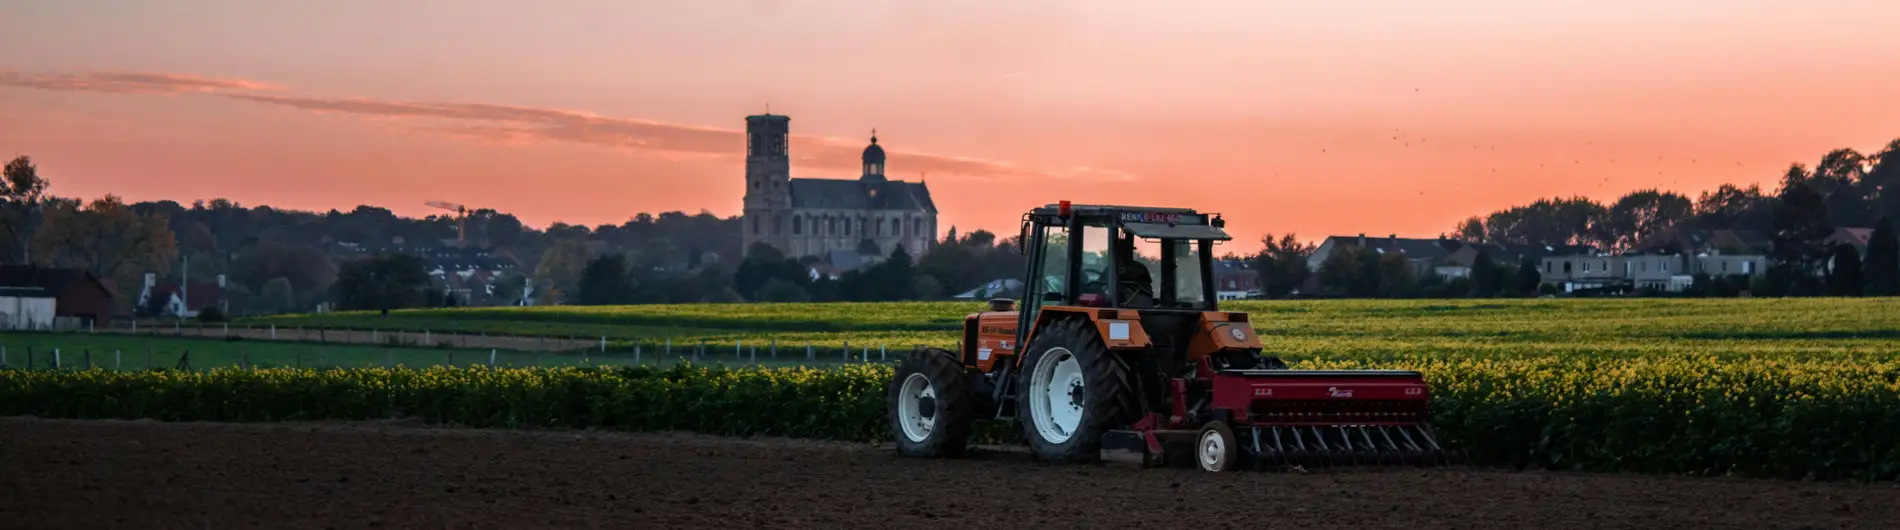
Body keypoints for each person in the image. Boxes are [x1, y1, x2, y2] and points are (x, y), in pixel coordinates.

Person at [1116, 234, 1156, 307]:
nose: (1123, 253)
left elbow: (1147, 289)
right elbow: (1102, 286)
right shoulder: (1110, 269)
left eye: (1125, 250)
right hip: (1113, 302)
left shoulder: (1140, 268)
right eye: (1120, 250)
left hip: (1136, 304)